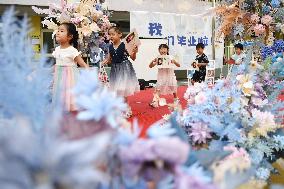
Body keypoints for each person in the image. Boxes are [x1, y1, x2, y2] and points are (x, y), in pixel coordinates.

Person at [102, 26, 139, 117]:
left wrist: (134, 52)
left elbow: (133, 58)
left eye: (113, 34)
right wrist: (103, 62)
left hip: (124, 68)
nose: (111, 36)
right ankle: (120, 108)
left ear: (120, 35)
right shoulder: (110, 47)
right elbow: (109, 59)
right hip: (115, 69)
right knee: (117, 91)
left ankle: (126, 108)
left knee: (123, 90)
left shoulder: (125, 45)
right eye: (109, 35)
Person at [52, 23, 89, 112]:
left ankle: (70, 118)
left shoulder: (72, 50)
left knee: (70, 98)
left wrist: (90, 75)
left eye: (61, 31)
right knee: (60, 98)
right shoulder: (57, 49)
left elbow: (82, 64)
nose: (58, 32)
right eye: (58, 30)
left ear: (70, 36)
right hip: (59, 78)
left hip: (70, 79)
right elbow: (57, 64)